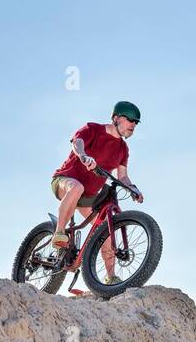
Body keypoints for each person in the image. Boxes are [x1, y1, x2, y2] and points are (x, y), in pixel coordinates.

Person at [50, 102, 145, 282]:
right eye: (130, 120)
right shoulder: (93, 129)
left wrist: (133, 189)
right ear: (116, 118)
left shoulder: (123, 149)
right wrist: (84, 156)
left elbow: (123, 176)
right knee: (76, 188)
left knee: (106, 230)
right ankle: (59, 232)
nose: (133, 125)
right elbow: (77, 143)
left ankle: (111, 278)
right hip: (65, 181)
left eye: (136, 123)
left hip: (88, 197)